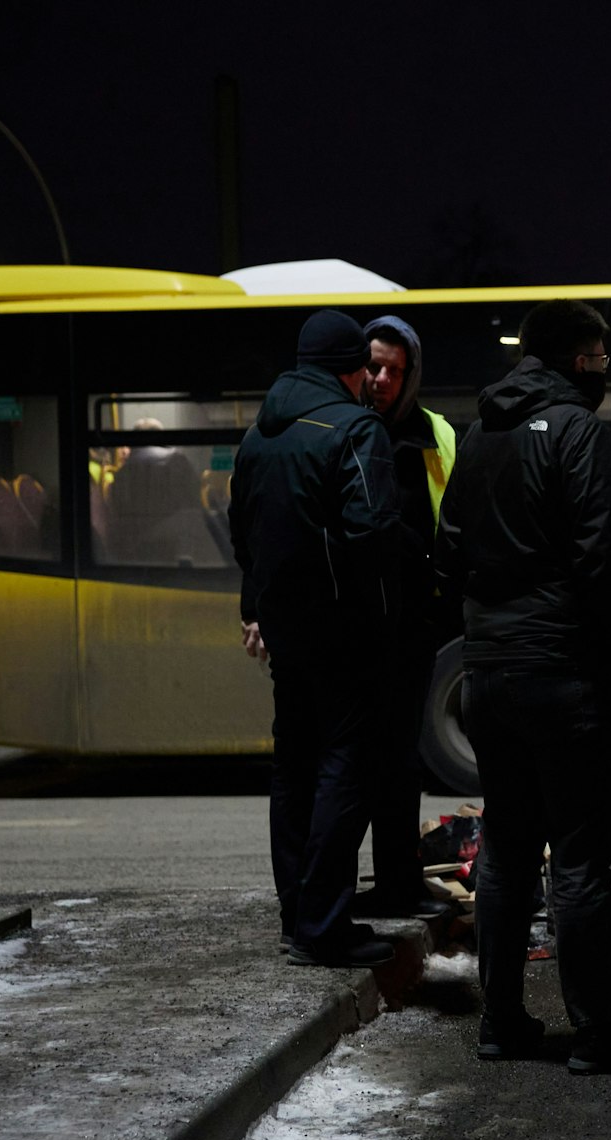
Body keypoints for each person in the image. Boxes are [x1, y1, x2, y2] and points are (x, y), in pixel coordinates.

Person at [433, 299, 611, 1072]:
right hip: (565, 672)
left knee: (507, 848)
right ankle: (595, 1028)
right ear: (573, 359)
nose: (603, 370)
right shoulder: (580, 434)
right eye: (598, 356)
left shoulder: (479, 434)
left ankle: (501, 1020)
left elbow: (448, 550)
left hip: (489, 673)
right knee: (580, 857)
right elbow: (603, 559)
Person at [228, 310, 400, 969]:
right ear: (350, 370)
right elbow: (374, 532)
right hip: (345, 631)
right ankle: (323, 926)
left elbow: (243, 534)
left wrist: (262, 606)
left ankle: (295, 915)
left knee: (294, 768)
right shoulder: (356, 429)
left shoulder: (259, 435)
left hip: (286, 630)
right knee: (345, 768)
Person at [351, 315, 459, 920]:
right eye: (374, 366)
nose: (382, 379)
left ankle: (398, 881)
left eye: (395, 369)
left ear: (411, 374)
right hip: (360, 621)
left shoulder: (436, 432)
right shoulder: (347, 427)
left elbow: (456, 515)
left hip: (419, 620)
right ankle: (378, 884)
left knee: (401, 758)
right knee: (365, 760)